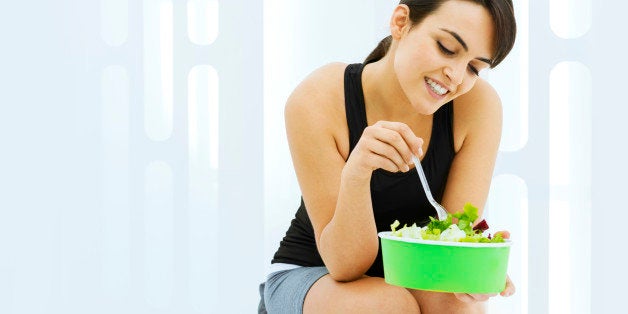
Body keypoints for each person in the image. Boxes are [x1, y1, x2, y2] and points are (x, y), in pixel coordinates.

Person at [259, 0, 517, 313]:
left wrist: (474, 266)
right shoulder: (320, 97)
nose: (456, 75)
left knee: (458, 307)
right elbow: (345, 266)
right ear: (400, 22)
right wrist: (357, 173)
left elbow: (455, 230)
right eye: (447, 48)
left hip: (413, 272)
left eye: (475, 67)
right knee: (388, 306)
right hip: (315, 272)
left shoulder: (478, 107)